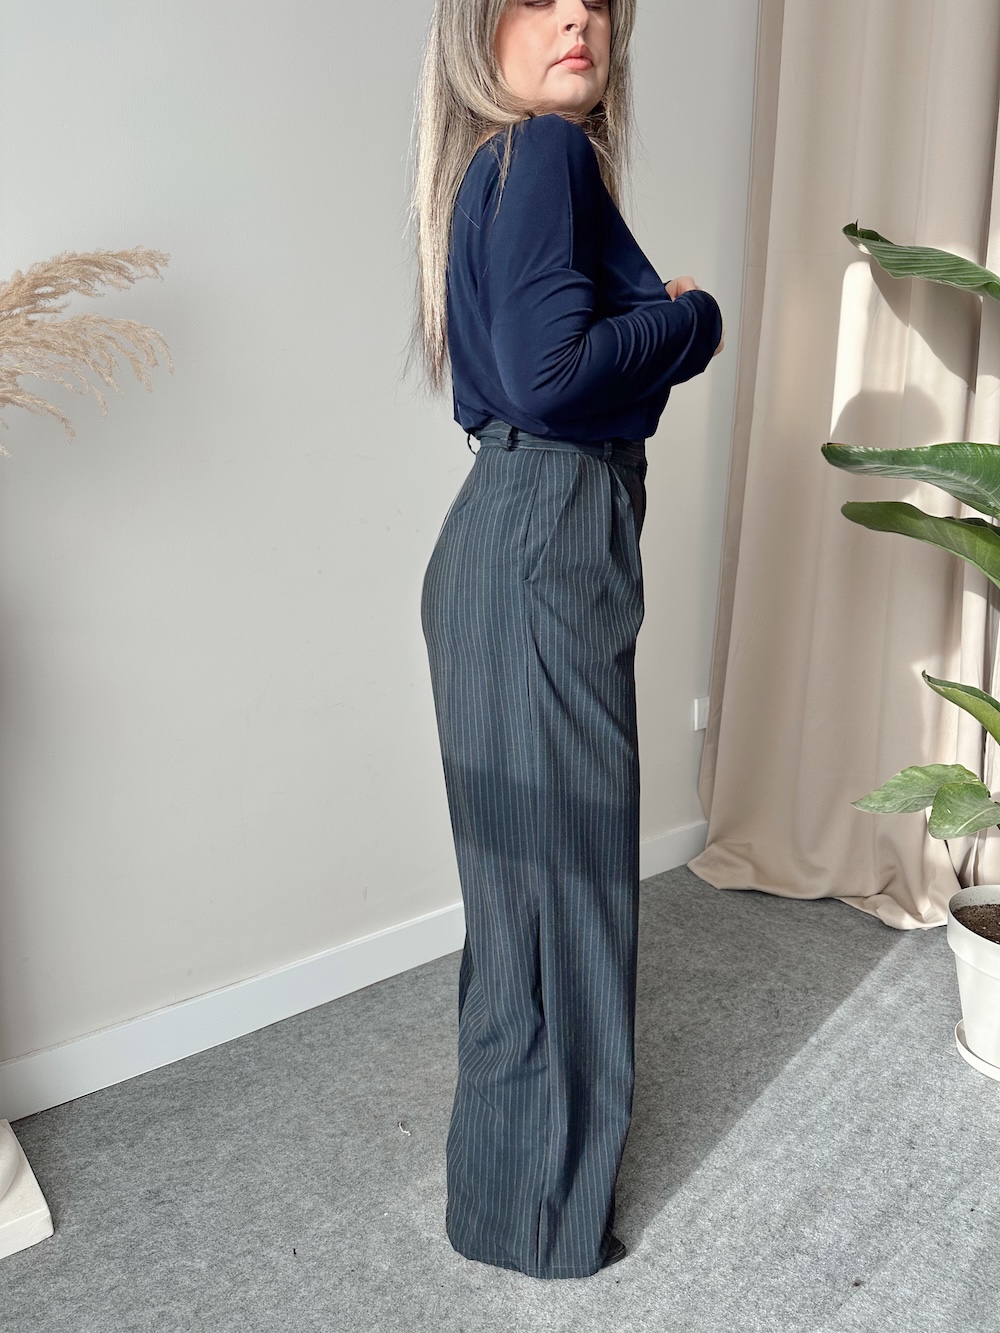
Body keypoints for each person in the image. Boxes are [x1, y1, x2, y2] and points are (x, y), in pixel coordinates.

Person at [407, 0, 724, 1281]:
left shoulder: (491, 167)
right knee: (562, 900)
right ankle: (539, 1222)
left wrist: (642, 341)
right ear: (479, 28)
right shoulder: (539, 151)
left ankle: (509, 1202)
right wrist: (694, 318)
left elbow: (540, 376)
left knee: (528, 903)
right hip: (541, 536)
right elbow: (550, 377)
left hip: (512, 534)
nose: (579, 14)